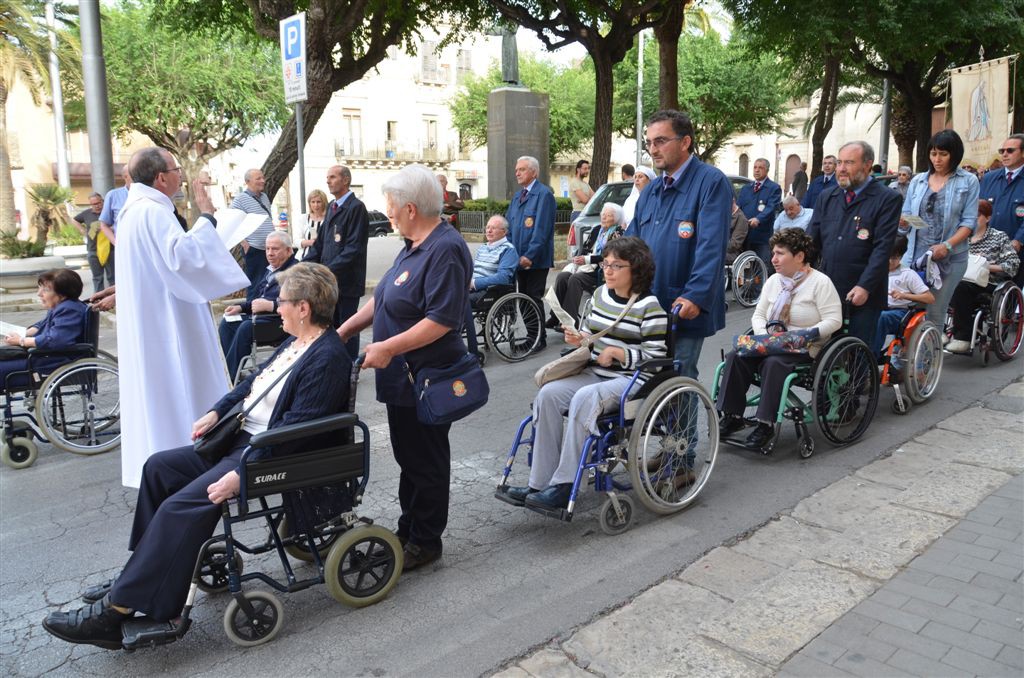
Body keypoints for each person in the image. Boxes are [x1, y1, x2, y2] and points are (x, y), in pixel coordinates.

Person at [41, 263, 352, 651]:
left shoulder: (327, 358)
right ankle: (140, 573)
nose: (277, 308)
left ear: (303, 308)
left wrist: (241, 474)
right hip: (239, 440)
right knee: (157, 468)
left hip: (263, 456)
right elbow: (250, 386)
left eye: (283, 302)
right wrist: (216, 411)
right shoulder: (296, 343)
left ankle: (117, 608)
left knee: (180, 507)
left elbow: (294, 432)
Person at [338, 164, 472, 572]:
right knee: (409, 458)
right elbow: (383, 298)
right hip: (402, 379)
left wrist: (388, 347)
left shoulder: (445, 249)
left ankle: (426, 541)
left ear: (411, 208)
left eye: (392, 207)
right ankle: (407, 530)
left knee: (426, 460)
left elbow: (441, 320)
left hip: (428, 377)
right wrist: (341, 332)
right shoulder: (413, 243)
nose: (389, 213)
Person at [114, 147, 250, 488]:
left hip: (154, 318)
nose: (181, 176)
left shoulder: (133, 212)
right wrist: (207, 218)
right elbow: (183, 258)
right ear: (161, 178)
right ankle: (186, 462)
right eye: (176, 169)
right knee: (178, 386)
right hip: (167, 321)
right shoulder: (153, 212)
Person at [503, 237, 668, 510]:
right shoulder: (600, 295)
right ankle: (539, 482)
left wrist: (618, 353)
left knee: (584, 398)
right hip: (595, 371)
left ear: (636, 270)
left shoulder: (650, 307)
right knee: (548, 395)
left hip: (630, 380)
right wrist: (578, 338)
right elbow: (590, 335)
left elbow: (658, 358)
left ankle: (565, 484)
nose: (608, 270)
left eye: (617, 265)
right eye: (606, 264)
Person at [626, 110, 731, 378]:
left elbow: (711, 247)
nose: (652, 149)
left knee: (678, 377)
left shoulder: (711, 182)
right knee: (649, 378)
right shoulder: (650, 190)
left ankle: (684, 423)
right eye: (649, 142)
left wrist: (695, 295)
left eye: (660, 141)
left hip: (683, 305)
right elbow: (633, 243)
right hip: (648, 303)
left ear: (685, 142)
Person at [717, 229, 842, 448]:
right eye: (773, 253)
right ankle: (732, 417)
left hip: (805, 346)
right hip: (772, 342)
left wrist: (807, 333)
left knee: (773, 364)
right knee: (736, 356)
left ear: (800, 256)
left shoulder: (821, 283)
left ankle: (765, 424)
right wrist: (764, 337)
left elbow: (834, 320)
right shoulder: (774, 281)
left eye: (780, 253)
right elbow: (759, 315)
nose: (773, 258)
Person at [806, 141, 901, 345]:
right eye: (839, 162)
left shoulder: (887, 198)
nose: (841, 168)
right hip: (828, 287)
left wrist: (865, 286)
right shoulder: (827, 196)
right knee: (822, 351)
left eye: (848, 163)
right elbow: (811, 241)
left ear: (867, 165)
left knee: (856, 352)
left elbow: (882, 249)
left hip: (863, 292)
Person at [899, 130, 980, 328]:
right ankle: (907, 355)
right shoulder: (917, 181)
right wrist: (903, 223)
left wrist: (947, 246)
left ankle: (930, 356)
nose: (937, 159)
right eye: (933, 153)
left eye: (943, 154)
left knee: (934, 310)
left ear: (955, 154)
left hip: (950, 258)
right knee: (909, 308)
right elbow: (908, 214)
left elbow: (969, 223)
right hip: (916, 256)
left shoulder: (968, 181)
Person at [303, 165, 370, 359]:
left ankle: (349, 368)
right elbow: (320, 244)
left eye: (332, 177)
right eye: (327, 177)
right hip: (329, 282)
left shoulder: (356, 208)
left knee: (348, 326)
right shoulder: (332, 207)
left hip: (347, 283)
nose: (328, 181)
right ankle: (334, 364)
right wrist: (303, 265)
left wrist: (325, 270)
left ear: (346, 180)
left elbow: (353, 249)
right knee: (329, 326)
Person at [218, 230, 299, 379]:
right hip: (261, 317)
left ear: (289, 251)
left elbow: (296, 302)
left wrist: (271, 306)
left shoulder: (295, 271)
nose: (269, 253)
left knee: (246, 327)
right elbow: (258, 299)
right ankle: (226, 371)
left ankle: (227, 377)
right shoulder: (270, 269)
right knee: (226, 323)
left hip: (279, 322)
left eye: (275, 249)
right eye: (267, 249)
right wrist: (241, 307)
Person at [947, 200, 1020, 353]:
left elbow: (1013, 264)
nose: (972, 219)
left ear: (987, 218)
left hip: (989, 282)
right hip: (960, 279)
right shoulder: (961, 237)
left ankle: (963, 337)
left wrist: (985, 265)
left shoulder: (998, 237)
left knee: (961, 287)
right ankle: (940, 329)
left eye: (977, 215)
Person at [1, 269, 89, 390]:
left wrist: (22, 341)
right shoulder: (65, 306)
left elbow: (55, 340)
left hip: (53, 362)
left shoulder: (68, 309)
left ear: (62, 294)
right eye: (40, 288)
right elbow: (43, 324)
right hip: (49, 358)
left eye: (45, 290)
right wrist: (24, 333)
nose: (39, 293)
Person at [506, 155, 556, 351]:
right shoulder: (518, 196)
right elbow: (508, 227)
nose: (517, 173)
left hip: (535, 260)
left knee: (533, 298)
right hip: (518, 259)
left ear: (533, 172)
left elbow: (541, 230)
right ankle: (531, 336)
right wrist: (511, 253)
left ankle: (538, 339)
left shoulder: (544, 194)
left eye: (522, 169)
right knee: (523, 299)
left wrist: (530, 256)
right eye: (517, 169)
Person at [549, 202, 625, 328]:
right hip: (585, 267)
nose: (604, 217)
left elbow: (610, 256)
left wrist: (587, 260)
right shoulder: (597, 229)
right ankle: (556, 317)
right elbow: (585, 248)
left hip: (601, 270)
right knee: (562, 277)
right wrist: (579, 258)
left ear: (616, 218)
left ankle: (569, 323)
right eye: (603, 214)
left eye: (608, 215)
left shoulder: (618, 232)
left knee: (575, 280)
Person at [872, 235, 935, 357]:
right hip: (878, 308)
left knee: (882, 317)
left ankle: (871, 357)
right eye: (888, 257)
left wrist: (904, 295)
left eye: (894, 258)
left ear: (901, 257)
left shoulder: (908, 275)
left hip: (899, 313)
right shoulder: (875, 272)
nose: (890, 261)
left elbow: (929, 298)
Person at [464, 216, 518, 358]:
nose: (489, 230)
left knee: (459, 303)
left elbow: (503, 278)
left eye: (493, 228)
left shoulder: (509, 250)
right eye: (488, 227)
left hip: (492, 291)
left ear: (504, 231)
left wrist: (475, 283)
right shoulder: (483, 247)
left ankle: (469, 350)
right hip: (475, 288)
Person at [978, 133, 1024, 285]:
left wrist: (1018, 240)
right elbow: (979, 210)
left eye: (1010, 150)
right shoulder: (989, 178)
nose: (1004, 154)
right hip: (987, 249)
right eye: (1002, 151)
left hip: (1017, 250)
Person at [230, 168, 277, 291]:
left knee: (269, 281)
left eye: (263, 178)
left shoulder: (265, 197)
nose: (263, 181)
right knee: (255, 284)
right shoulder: (240, 200)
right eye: (258, 179)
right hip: (254, 249)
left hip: (269, 248)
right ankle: (252, 309)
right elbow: (231, 223)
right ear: (248, 181)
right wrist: (244, 244)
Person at [738, 158, 782, 268]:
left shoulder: (774, 188)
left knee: (761, 267)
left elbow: (771, 208)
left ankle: (761, 285)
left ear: (767, 170)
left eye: (760, 168)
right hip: (744, 235)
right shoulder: (746, 188)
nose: (757, 170)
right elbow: (738, 208)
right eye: (755, 167)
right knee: (744, 267)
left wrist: (758, 219)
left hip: (761, 236)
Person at [73, 193, 114, 293]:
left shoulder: (110, 212)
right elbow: (74, 220)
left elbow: (119, 224)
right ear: (90, 204)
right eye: (93, 204)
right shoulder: (86, 213)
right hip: (93, 250)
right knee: (97, 277)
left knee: (113, 277)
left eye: (98, 203)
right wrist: (83, 230)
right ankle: (99, 300)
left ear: (103, 201)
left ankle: (115, 299)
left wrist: (109, 228)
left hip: (110, 249)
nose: (97, 205)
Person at [298, 189, 328, 259]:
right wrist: (312, 242)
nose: (316, 205)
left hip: (323, 258)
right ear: (309, 204)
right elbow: (296, 240)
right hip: (304, 258)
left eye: (318, 202)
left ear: (324, 203)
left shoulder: (329, 219)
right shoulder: (304, 218)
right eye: (313, 202)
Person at [726, 198, 749, 265]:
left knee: (710, 255)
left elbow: (734, 244)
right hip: (721, 248)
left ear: (733, 201)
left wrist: (716, 246)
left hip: (732, 253)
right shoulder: (724, 215)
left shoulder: (741, 219)